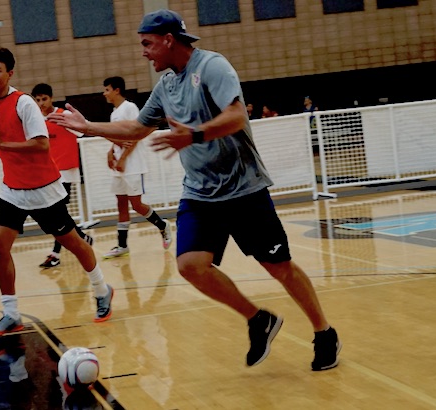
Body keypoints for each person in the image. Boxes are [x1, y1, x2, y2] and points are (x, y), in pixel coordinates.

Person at [48, 9, 340, 371]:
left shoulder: (212, 67)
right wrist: (88, 127)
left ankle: (324, 331)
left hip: (244, 189)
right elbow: (137, 130)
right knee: (190, 266)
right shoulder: (166, 85)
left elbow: (236, 116)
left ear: (169, 39)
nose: (144, 52)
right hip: (200, 194)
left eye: (147, 44)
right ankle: (257, 319)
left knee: (279, 268)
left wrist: (195, 134)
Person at [0, 46, 114, 335]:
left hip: (43, 189)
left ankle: (102, 290)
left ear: (9, 73)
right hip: (12, 191)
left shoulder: (24, 103)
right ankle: (11, 314)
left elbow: (41, 144)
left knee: (73, 243)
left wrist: (1, 147)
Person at [101, 76, 172, 258]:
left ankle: (163, 225)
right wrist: (111, 152)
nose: (104, 93)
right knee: (121, 204)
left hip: (132, 165)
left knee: (137, 204)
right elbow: (119, 137)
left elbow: (135, 135)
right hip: (119, 165)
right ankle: (122, 245)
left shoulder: (129, 108)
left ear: (117, 90)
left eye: (107, 89)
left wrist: (123, 158)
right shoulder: (113, 113)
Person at [31, 82, 94, 269]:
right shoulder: (35, 120)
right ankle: (82, 237)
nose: (41, 103)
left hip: (66, 171)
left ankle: (56, 253)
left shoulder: (62, 115)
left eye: (44, 99)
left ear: (51, 98)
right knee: (57, 214)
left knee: (58, 213)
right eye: (38, 100)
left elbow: (81, 132)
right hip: (48, 173)